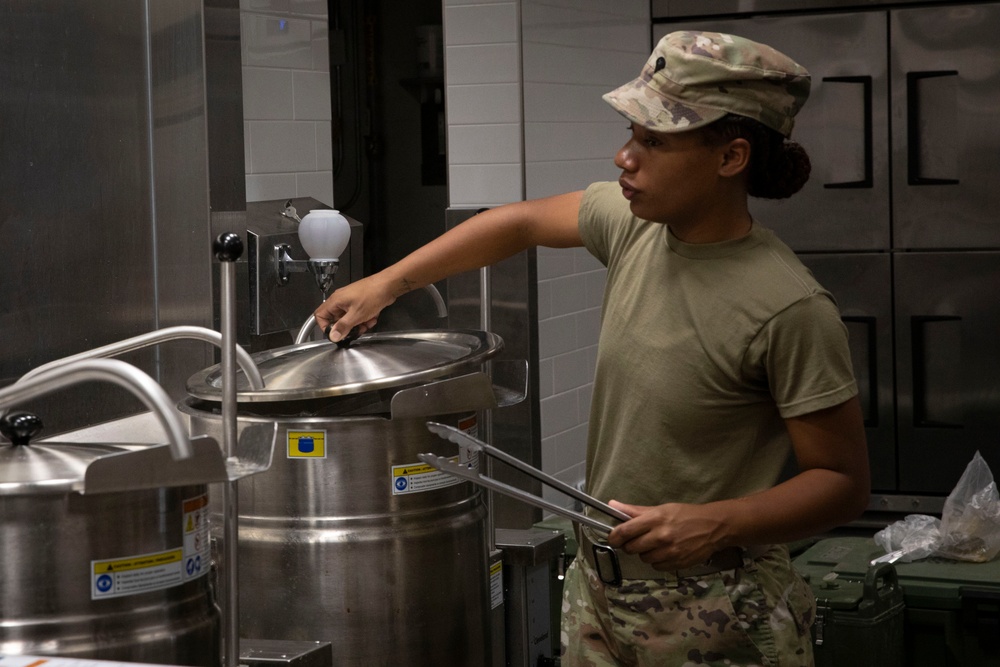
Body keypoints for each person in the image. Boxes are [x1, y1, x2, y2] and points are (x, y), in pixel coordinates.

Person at [315, 31, 870, 667]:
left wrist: (715, 522)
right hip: (600, 589)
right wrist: (388, 283)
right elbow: (519, 221)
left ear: (731, 157)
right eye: (632, 134)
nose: (624, 158)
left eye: (653, 141)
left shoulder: (787, 307)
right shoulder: (635, 228)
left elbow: (842, 484)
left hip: (720, 606)